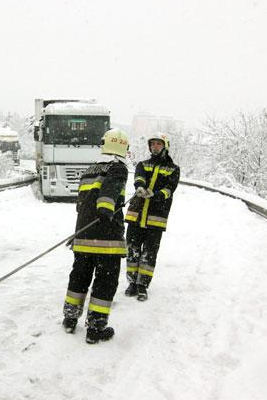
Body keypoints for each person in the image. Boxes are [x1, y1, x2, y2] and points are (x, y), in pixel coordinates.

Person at [62, 128, 129, 344]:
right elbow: (108, 195)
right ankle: (95, 328)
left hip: (83, 235)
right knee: (105, 281)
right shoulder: (118, 168)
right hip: (106, 239)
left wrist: (82, 227)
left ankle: (70, 319)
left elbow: (80, 203)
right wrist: (106, 209)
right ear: (123, 148)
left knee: (79, 276)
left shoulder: (90, 169)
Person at [124, 133, 180, 301]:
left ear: (165, 146)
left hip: (156, 217)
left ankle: (143, 285)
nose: (155, 147)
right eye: (153, 144)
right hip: (136, 215)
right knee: (132, 250)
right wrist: (141, 187)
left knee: (149, 252)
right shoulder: (143, 164)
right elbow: (139, 177)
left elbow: (170, 189)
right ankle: (132, 282)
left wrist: (155, 195)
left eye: (158, 144)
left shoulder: (173, 169)